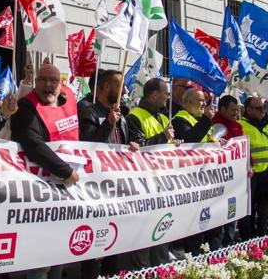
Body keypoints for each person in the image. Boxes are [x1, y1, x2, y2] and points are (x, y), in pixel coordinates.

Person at [10, 63, 79, 279]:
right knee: (38, 263)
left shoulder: (67, 104)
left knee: (57, 257)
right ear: (35, 83)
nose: (48, 85)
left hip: (63, 194)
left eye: (53, 81)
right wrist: (66, 171)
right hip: (37, 196)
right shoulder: (26, 107)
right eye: (43, 80)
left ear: (61, 85)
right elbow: (32, 143)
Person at [78, 70, 138, 277]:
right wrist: (107, 123)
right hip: (95, 187)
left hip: (116, 185)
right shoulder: (87, 110)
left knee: (115, 239)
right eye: (118, 86)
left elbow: (118, 143)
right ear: (104, 87)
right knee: (94, 242)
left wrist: (129, 146)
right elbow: (87, 144)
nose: (124, 91)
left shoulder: (120, 116)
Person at [125, 78, 179, 268]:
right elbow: (138, 150)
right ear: (154, 95)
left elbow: (168, 146)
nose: (168, 96)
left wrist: (175, 143)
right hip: (146, 188)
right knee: (144, 237)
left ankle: (160, 269)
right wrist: (163, 137)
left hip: (165, 185)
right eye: (165, 92)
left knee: (162, 232)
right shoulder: (134, 117)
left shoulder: (164, 118)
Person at [172, 88, 225, 254]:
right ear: (187, 102)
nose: (204, 104)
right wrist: (206, 120)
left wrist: (218, 143)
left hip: (208, 177)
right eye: (200, 101)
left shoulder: (199, 119)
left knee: (213, 223)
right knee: (196, 226)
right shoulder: (180, 119)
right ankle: (193, 259)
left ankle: (214, 255)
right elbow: (190, 141)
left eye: (204, 101)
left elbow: (207, 140)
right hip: (192, 180)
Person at [238, 97, 268, 237]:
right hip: (251, 175)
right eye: (259, 108)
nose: (263, 111)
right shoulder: (240, 125)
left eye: (264, 108)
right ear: (248, 109)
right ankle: (247, 239)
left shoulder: (265, 124)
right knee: (248, 210)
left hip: (267, 171)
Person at [211, 95, 243, 246]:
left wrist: (248, 166)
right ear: (222, 109)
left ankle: (229, 240)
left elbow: (243, 149)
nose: (235, 113)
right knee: (219, 211)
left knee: (233, 208)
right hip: (219, 176)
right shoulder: (213, 124)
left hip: (236, 175)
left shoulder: (237, 125)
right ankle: (217, 245)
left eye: (237, 110)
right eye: (232, 110)